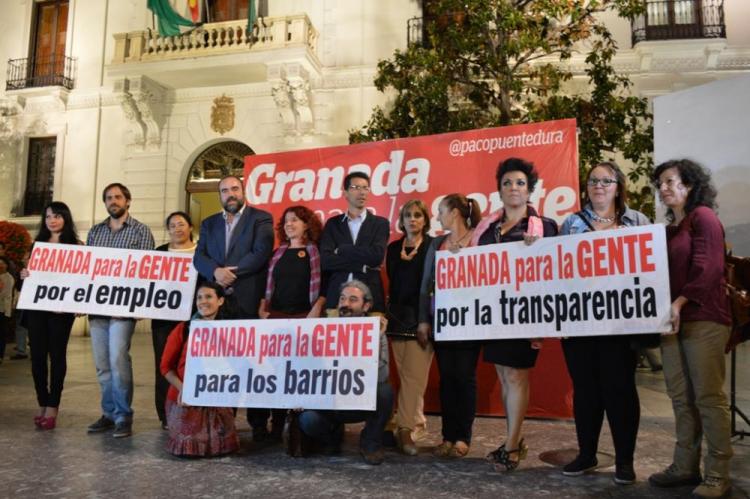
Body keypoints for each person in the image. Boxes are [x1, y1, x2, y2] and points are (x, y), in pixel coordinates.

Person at [558, 161, 650, 484]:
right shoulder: (570, 224)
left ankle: (625, 460)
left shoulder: (637, 221)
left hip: (621, 325)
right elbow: (556, 272)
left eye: (606, 180)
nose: (599, 185)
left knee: (620, 390)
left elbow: (650, 271)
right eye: (593, 180)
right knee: (586, 391)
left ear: (618, 186)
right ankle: (587, 454)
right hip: (580, 324)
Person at [648, 159, 733, 499]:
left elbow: (709, 268)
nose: (664, 188)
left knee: (709, 399)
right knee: (681, 399)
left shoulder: (704, 218)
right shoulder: (672, 228)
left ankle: (717, 473)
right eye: (661, 183)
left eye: (670, 181)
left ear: (690, 184)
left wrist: (680, 303)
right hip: (673, 323)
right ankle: (684, 466)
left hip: (704, 318)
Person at [471, 158, 558, 471]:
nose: (513, 188)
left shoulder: (544, 227)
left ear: (530, 189)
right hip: (493, 313)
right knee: (504, 377)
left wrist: (537, 249)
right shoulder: (487, 228)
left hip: (525, 313)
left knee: (516, 376)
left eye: (520, 182)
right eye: (507, 182)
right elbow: (473, 267)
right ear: (499, 189)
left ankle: (510, 447)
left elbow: (554, 271)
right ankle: (515, 439)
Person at [192, 175, 274, 441]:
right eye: (224, 190)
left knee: (254, 364)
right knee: (222, 366)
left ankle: (259, 424)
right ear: (220, 195)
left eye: (234, 189)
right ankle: (224, 420)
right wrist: (215, 271)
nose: (230, 194)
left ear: (243, 191)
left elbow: (261, 253)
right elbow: (199, 256)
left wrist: (230, 273)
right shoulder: (208, 223)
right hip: (219, 307)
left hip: (249, 301)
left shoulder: (261, 218)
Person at [294, 280, 393, 465]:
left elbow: (382, 376)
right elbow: (307, 368)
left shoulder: (376, 332)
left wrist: (376, 340)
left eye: (353, 299)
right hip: (329, 403)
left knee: (385, 392)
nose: (345, 304)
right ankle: (331, 437)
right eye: (342, 298)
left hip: (360, 402)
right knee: (308, 420)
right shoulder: (323, 330)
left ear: (366, 306)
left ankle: (370, 442)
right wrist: (301, 394)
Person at [86, 183, 155, 438]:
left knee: (117, 358)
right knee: (102, 364)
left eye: (117, 197)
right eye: (108, 198)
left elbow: (148, 270)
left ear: (128, 200)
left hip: (123, 308)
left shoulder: (140, 231)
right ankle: (108, 413)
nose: (113, 201)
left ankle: (124, 415)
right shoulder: (95, 232)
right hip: (97, 307)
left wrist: (140, 304)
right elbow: (87, 269)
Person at [417, 193, 481, 459]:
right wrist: (423, 319)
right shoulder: (438, 244)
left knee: (464, 379)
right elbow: (425, 284)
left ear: (454, 212)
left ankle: (462, 437)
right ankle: (447, 436)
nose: (438, 216)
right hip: (443, 322)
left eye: (441, 210)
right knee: (447, 380)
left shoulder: (480, 240)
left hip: (471, 320)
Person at [258, 205, 325, 441]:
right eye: (286, 221)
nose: (289, 224)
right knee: (276, 373)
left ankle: (298, 426)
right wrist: (263, 309)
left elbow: (323, 285)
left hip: (303, 319)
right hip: (276, 318)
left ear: (306, 224)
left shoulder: (314, 252)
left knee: (299, 373)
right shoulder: (278, 253)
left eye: (295, 220)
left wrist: (316, 309)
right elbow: (268, 286)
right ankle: (276, 425)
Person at [19, 202, 80, 430]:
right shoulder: (36, 246)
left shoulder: (76, 247)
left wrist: (73, 303)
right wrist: (24, 274)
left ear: (65, 218)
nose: (52, 220)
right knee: (37, 359)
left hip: (61, 312)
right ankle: (42, 403)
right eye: (47, 217)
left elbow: (80, 281)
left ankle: (53, 406)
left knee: (57, 357)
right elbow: (27, 277)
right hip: (37, 309)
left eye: (57, 216)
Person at [161, 281, 240, 457]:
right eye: (199, 297)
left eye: (209, 296)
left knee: (222, 449)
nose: (203, 301)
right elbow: (165, 367)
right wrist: (185, 389)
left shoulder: (232, 331)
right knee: (189, 449)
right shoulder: (184, 329)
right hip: (185, 397)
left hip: (216, 396)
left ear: (220, 301)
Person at [385, 200, 433, 455]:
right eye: (407, 215)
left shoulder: (434, 246)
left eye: (417, 215)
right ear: (401, 220)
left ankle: (404, 429)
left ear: (425, 219)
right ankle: (417, 424)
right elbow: (394, 283)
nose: (412, 219)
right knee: (406, 378)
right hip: (396, 318)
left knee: (414, 379)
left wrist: (426, 319)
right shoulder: (393, 249)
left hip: (422, 319)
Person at [319, 171, 389, 314]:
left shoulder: (380, 223)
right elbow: (326, 261)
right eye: (356, 187)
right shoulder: (333, 224)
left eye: (365, 188)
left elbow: (376, 257)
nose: (362, 192)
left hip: (370, 296)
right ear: (345, 192)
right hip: (337, 300)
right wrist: (362, 266)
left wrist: (343, 249)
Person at [152, 211, 197, 430]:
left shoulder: (201, 253)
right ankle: (165, 414)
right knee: (164, 364)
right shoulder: (159, 253)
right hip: (163, 319)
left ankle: (194, 407)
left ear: (190, 227)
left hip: (192, 319)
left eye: (181, 224)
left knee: (191, 364)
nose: (177, 228)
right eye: (172, 225)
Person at [0, 256, 14, 365]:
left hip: (2, 309)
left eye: (2, 263)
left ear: (6, 265)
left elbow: (6, 295)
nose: (1, 265)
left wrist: (7, 313)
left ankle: (0, 355)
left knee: (1, 333)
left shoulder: (9, 278)